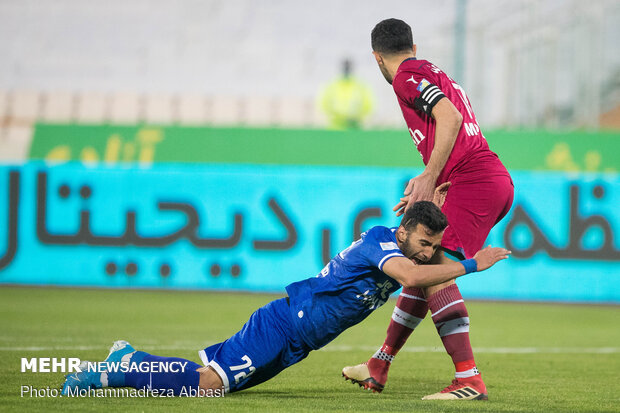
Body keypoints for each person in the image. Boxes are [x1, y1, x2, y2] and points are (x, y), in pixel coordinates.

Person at [61, 199, 510, 397]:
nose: (429, 251)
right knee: (209, 387)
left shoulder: (404, 250)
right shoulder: (382, 242)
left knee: (214, 383)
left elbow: (419, 270)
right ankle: (107, 377)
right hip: (283, 324)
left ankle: (131, 357)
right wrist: (473, 264)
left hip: (298, 342)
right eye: (426, 240)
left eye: (436, 244)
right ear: (407, 228)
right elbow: (413, 274)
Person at [341, 19, 514, 400]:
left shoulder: (405, 77)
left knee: (434, 273)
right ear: (413, 45)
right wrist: (434, 182)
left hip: (476, 180)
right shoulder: (430, 71)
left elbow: (449, 118)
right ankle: (379, 364)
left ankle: (468, 379)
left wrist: (429, 175)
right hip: (482, 179)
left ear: (376, 58)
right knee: (424, 267)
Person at [319, 59, 374, 129]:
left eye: (348, 68)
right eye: (345, 67)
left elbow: (368, 106)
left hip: (355, 128)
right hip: (335, 128)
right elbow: (324, 105)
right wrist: (337, 117)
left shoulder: (360, 86)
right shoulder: (332, 85)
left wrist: (358, 117)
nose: (346, 70)